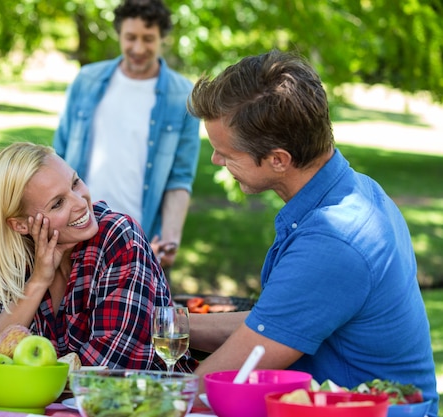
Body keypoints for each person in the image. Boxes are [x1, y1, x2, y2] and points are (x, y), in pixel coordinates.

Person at [186, 50, 439, 415]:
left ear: (278, 159)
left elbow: (220, 383)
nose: (215, 161)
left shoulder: (334, 240)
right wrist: (174, 323)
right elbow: (270, 328)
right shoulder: (356, 191)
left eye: (226, 153)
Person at [0, 142, 198, 372]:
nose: (80, 203)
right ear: (20, 225)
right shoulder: (18, 256)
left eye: (75, 183)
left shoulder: (118, 237)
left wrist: (23, 374)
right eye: (57, 203)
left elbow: (112, 364)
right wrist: (38, 282)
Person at [53, 0, 201, 269]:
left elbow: (179, 178)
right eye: (130, 37)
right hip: (76, 232)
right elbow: (57, 156)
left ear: (162, 39)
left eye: (148, 39)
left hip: (138, 240)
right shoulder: (86, 81)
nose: (138, 48)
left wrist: (169, 238)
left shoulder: (183, 97)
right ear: (119, 34)